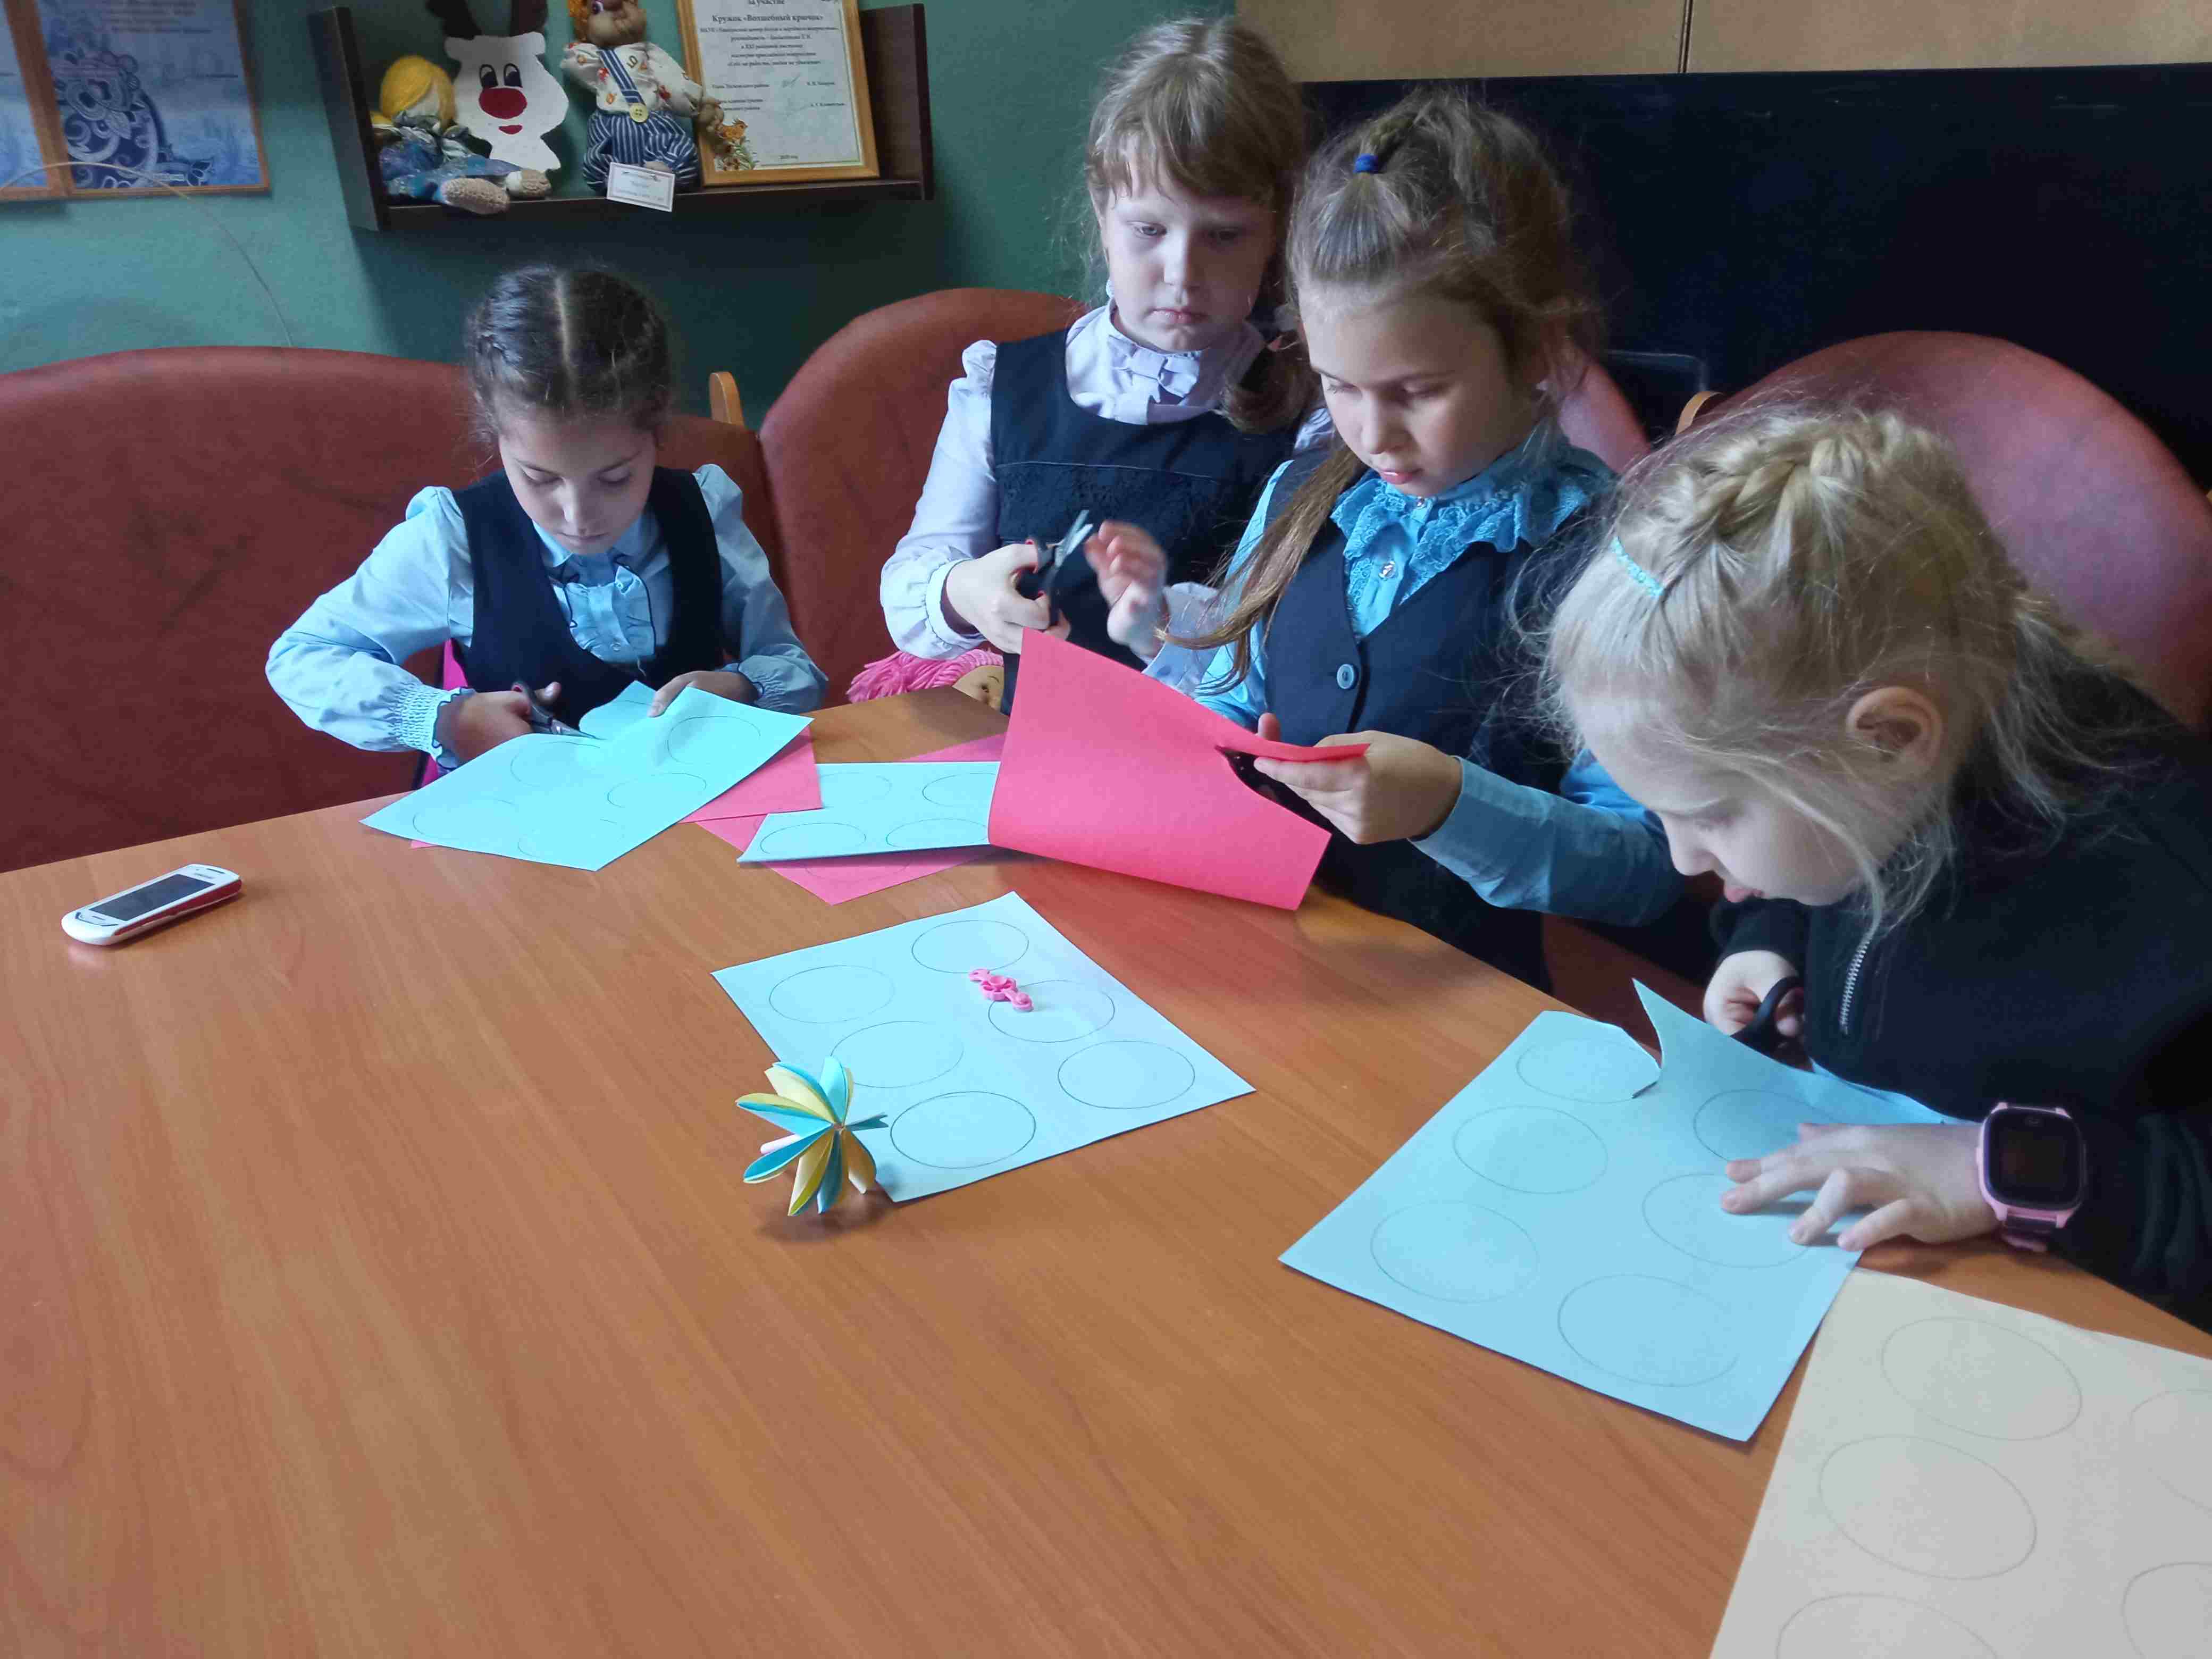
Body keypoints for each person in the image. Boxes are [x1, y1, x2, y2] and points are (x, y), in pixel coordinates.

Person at [1544, 405, 2212, 1326]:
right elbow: (1826, 860)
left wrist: (1996, 1168)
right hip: (1866, 1254)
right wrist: (1768, 935)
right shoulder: (1874, 774)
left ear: (1891, 738)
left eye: (1709, 815)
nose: (1684, 855)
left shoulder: (2166, 881)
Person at [1142, 89, 1679, 983]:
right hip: (1272, 969)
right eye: (1339, 387)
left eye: (1416, 392)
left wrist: (1448, 806)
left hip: (1471, 1015)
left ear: (1537, 349)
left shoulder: (1613, 566)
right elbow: (1228, 701)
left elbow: (1645, 870)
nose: (1372, 435)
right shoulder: (1299, 496)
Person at [876, 16, 1326, 706]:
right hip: (1031, 749)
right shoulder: (1001, 387)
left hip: (1216, 759)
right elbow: (916, 575)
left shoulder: (1313, 411)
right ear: (1101, 210)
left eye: (1223, 236)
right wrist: (963, 590)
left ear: (1275, 231)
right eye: (1149, 229)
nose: (1182, 273)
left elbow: (1296, 641)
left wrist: (1159, 619)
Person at [269, 265, 823, 771]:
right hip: (518, 822)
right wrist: (445, 720)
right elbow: (301, 658)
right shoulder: (453, 539)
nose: (579, 517)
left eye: (615, 478)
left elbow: (793, 668)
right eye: (540, 478)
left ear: (656, 433)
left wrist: (743, 689)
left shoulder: (704, 512)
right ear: (496, 434)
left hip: (694, 811)